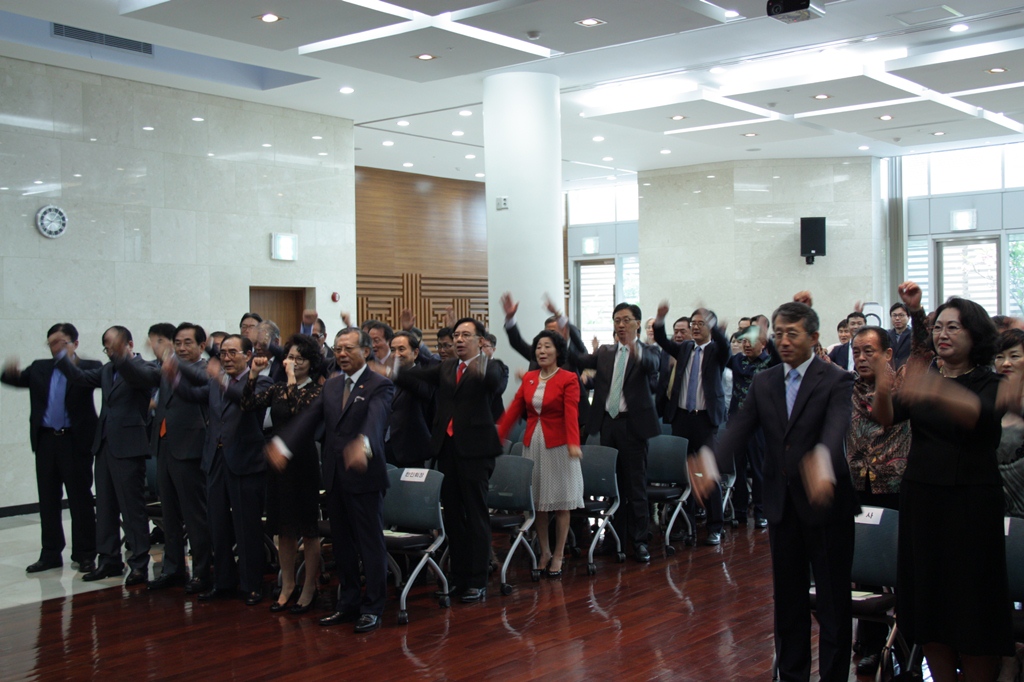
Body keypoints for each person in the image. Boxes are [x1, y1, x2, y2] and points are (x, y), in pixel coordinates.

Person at [704, 301, 858, 682]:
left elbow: (837, 426)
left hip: (826, 503)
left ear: (814, 337)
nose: (784, 341)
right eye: (779, 333)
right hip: (782, 504)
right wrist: (713, 462)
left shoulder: (836, 379)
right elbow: (740, 427)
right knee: (788, 601)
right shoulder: (765, 381)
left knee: (832, 602)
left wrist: (823, 458)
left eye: (793, 333)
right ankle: (792, 674)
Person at [871, 288, 1013, 682]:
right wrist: (883, 385)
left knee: (972, 604)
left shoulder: (990, 382)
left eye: (953, 327)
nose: (942, 334)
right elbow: (887, 417)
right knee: (928, 601)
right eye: (938, 328)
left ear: (975, 335)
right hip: (923, 497)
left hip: (971, 502)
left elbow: (977, 417)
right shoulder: (926, 377)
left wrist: (933, 389)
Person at [268, 327, 393, 633]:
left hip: (364, 477)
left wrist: (363, 445)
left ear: (366, 351)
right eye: (338, 349)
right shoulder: (333, 385)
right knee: (342, 546)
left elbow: (376, 420)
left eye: (348, 348)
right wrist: (284, 444)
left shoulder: (380, 385)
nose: (341, 354)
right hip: (335, 476)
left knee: (369, 544)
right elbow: (309, 418)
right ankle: (348, 603)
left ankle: (373, 607)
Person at [393, 317, 504, 602]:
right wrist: (389, 368)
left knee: (476, 515)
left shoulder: (492, 366)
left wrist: (480, 363)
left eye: (465, 335)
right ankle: (458, 577)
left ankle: (478, 580)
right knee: (453, 516)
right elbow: (413, 377)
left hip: (476, 452)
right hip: (447, 449)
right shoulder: (447, 367)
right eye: (456, 335)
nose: (458, 340)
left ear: (481, 340)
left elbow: (495, 383)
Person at [169, 333, 272, 605]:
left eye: (232, 353)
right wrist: (174, 377)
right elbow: (194, 395)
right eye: (223, 353)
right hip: (215, 460)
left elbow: (244, 400)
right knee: (217, 525)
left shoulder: (261, 381)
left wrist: (220, 379)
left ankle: (251, 585)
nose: (226, 358)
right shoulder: (218, 383)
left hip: (245, 463)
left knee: (246, 527)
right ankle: (223, 581)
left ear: (248, 356)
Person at [115, 322, 214, 595]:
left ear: (201, 346)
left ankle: (203, 571)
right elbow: (140, 377)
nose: (181, 348)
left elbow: (198, 386)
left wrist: (171, 362)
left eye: (187, 343)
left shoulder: (205, 369)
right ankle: (173, 569)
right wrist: (121, 358)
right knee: (169, 515)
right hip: (164, 447)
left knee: (194, 516)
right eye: (177, 343)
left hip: (190, 450)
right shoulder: (166, 369)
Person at [55, 326, 155, 586]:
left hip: (129, 447)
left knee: (132, 509)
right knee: (106, 506)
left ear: (130, 344)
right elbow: (78, 377)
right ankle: (109, 560)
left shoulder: (144, 368)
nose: (110, 352)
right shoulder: (107, 370)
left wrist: (121, 358)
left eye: (115, 346)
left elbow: (136, 378)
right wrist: (61, 356)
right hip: (104, 445)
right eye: (107, 348)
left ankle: (139, 563)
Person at [2, 323, 99, 574]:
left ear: (75, 344)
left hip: (75, 441)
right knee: (48, 499)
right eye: (51, 343)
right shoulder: (40, 367)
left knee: (80, 499)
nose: (55, 348)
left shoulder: (89, 367)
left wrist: (67, 362)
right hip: (46, 441)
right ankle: (50, 554)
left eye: (61, 342)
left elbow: (98, 381)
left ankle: (85, 554)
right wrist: (8, 372)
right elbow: (16, 379)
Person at [844, 324, 913, 677]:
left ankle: (906, 645)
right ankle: (871, 645)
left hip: (897, 487)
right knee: (865, 571)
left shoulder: (906, 388)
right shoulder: (846, 388)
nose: (861, 358)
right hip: (859, 487)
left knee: (902, 570)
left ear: (888, 354)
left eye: (869, 351)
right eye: (856, 352)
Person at [569, 303, 660, 562]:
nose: (621, 325)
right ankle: (613, 539)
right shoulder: (606, 352)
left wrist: (634, 349)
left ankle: (640, 541)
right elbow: (580, 358)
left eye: (626, 320)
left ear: (637, 323)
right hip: (608, 425)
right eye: (617, 320)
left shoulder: (648, 351)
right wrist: (567, 329)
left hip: (633, 426)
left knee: (635, 486)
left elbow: (652, 365)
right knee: (613, 486)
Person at [240, 334, 323, 615]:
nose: (293, 363)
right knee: (283, 529)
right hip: (278, 463)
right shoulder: (276, 388)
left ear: (311, 363)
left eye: (300, 358)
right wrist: (253, 374)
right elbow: (247, 404)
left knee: (308, 530)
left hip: (304, 462)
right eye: (290, 357)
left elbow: (297, 409)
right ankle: (287, 584)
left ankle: (309, 587)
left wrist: (290, 379)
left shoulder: (317, 390)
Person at [497, 330, 583, 577]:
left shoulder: (568, 378)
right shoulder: (530, 378)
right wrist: (498, 436)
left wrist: (574, 443)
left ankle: (559, 554)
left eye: (547, 346)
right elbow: (514, 409)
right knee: (539, 503)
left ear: (558, 351)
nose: (542, 351)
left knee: (561, 503)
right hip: (533, 443)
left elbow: (571, 413)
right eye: (538, 347)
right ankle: (544, 551)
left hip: (559, 446)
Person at [653, 304, 730, 546]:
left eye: (701, 323)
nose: (695, 327)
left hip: (705, 420)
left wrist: (718, 329)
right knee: (683, 473)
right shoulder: (686, 348)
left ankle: (715, 526)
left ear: (711, 327)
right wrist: (660, 318)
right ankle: (684, 525)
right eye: (693, 324)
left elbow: (726, 347)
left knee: (708, 473)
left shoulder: (716, 350)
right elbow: (662, 341)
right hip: (682, 418)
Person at [385, 331, 436, 468]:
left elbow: (421, 390)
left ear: (415, 353)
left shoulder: (425, 376)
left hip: (412, 453)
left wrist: (394, 374)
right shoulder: (386, 379)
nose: (396, 354)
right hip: (386, 449)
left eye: (401, 349)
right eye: (392, 350)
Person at [995, 329, 1024, 518]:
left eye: (1014, 356)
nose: (1006, 363)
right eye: (999, 357)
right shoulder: (988, 399)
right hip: (992, 504)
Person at [888, 302, 912, 369]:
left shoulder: (913, 335)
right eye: (894, 315)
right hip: (890, 372)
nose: (897, 318)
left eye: (901, 315)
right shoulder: (887, 335)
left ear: (908, 317)